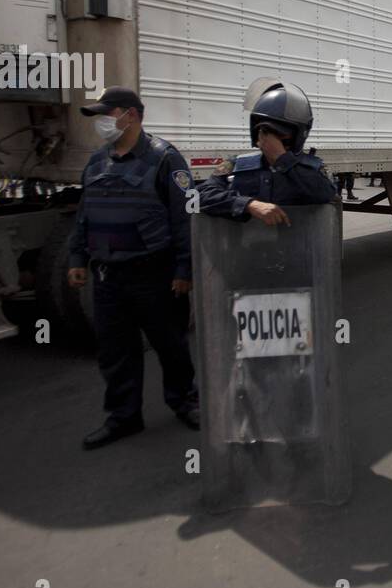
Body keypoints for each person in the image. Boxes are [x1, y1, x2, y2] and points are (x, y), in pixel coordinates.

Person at [66, 87, 200, 450]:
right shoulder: (97, 162)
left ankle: (185, 402)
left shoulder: (164, 159)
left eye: (107, 115)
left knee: (170, 344)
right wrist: (78, 258)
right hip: (109, 277)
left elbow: (183, 219)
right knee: (115, 352)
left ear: (132, 115)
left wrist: (184, 271)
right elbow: (85, 216)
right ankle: (123, 417)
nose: (102, 123)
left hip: (154, 274)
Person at [197, 78, 338, 224]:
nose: (271, 139)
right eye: (265, 131)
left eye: (280, 133)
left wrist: (281, 159)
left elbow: (325, 194)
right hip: (245, 246)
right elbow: (199, 196)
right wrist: (248, 205)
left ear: (297, 134)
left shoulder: (311, 169)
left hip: (295, 245)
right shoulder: (236, 165)